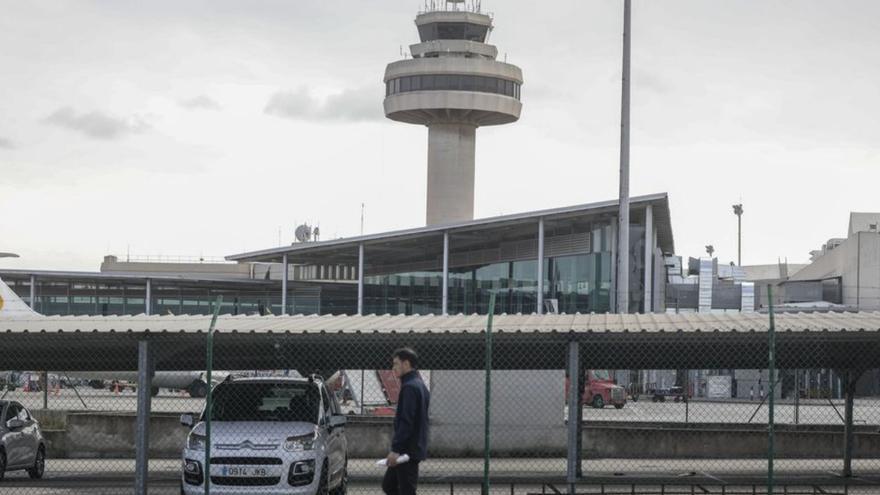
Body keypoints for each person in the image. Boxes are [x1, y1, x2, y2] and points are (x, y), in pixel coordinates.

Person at [383, 347, 430, 495]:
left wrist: (396, 449)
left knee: (405, 490)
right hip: (412, 448)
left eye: (396, 364)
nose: (393, 368)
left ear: (406, 364)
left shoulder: (409, 387)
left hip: (406, 451)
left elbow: (406, 421)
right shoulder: (420, 385)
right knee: (389, 485)